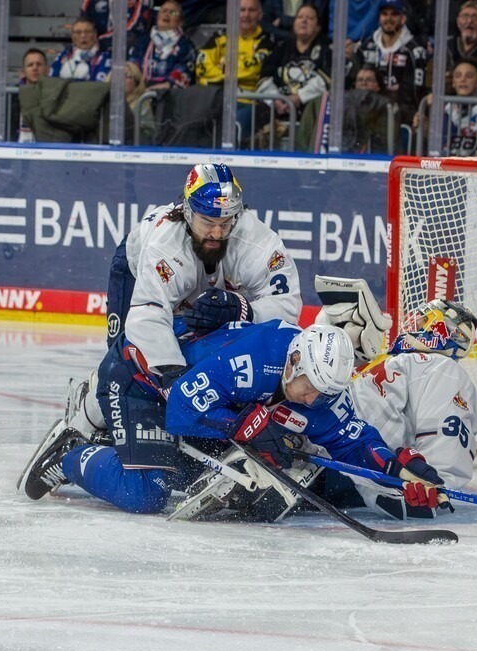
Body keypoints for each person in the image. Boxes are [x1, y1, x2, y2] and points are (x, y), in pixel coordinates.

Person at [19, 321, 453, 519]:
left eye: (326, 393)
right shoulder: (254, 362)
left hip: (203, 408)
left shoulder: (316, 389)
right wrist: (243, 428)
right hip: (145, 385)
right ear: (294, 361)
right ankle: (73, 454)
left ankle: (119, 452)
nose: (314, 399)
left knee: (246, 476)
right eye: (311, 387)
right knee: (146, 494)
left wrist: (401, 469)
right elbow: (181, 409)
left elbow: (354, 440)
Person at [62, 162, 301, 445]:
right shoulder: (164, 245)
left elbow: (287, 307)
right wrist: (175, 377)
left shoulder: (259, 242)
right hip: (134, 270)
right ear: (187, 212)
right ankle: (77, 432)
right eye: (207, 222)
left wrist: (243, 309)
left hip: (198, 292)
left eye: (225, 222)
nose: (216, 233)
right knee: (122, 358)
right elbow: (148, 317)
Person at [332, 298, 477, 520]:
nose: (413, 328)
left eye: (421, 324)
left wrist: (434, 483)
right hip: (327, 443)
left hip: (353, 464)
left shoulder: (442, 368)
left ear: (439, 330)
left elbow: (446, 432)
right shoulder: (388, 359)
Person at [195, 0, 276, 146]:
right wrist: (230, 74)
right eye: (242, 10)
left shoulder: (267, 41)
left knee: (234, 129)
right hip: (215, 98)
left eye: (251, 10)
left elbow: (252, 70)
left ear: (260, 14)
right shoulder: (219, 37)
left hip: (247, 101)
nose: (246, 15)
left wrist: (221, 69)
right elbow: (202, 66)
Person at [255, 2, 332, 146]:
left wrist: (298, 97)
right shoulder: (281, 48)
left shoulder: (326, 49)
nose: (304, 20)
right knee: (260, 108)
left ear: (318, 27)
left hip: (307, 106)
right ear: (294, 23)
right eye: (300, 17)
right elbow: (264, 78)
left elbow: (327, 80)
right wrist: (276, 99)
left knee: (316, 106)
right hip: (279, 106)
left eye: (310, 18)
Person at [354, 0, 429, 127]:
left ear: (403, 18)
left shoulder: (414, 51)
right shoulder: (366, 46)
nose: (388, 18)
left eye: (394, 14)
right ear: (379, 18)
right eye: (384, 14)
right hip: (366, 107)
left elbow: (412, 93)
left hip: (400, 112)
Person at [128, 0, 197, 91]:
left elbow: (181, 77)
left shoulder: (185, 46)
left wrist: (151, 91)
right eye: (163, 11)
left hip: (168, 96)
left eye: (173, 13)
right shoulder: (144, 41)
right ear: (157, 16)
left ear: (180, 22)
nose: (167, 14)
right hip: (139, 90)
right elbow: (132, 67)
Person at [443, 58, 477, 155]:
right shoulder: (448, 105)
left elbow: (467, 146)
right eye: (458, 76)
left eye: (469, 76)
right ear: (453, 82)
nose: (463, 79)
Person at [50, 16, 112, 81]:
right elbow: (52, 79)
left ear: (95, 34)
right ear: (72, 36)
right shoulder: (64, 55)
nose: (83, 36)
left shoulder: (105, 56)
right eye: (78, 32)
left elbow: (99, 84)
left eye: (87, 32)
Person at [16, 48, 48, 143]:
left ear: (47, 69)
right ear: (24, 71)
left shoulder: (56, 93)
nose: (35, 68)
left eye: (39, 64)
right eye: (30, 65)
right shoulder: (12, 96)